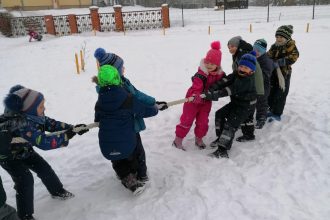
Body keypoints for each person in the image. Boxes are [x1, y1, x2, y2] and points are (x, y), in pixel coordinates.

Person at [0, 85, 88, 220]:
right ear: (28, 109)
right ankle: (25, 215)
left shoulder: (33, 116)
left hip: (24, 150)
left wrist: (72, 128)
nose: (44, 109)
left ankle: (57, 190)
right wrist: (67, 136)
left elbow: (50, 124)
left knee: (44, 169)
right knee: (25, 180)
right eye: (41, 107)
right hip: (9, 157)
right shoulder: (20, 124)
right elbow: (44, 142)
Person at [93, 47, 167, 183]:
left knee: (123, 154)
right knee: (135, 151)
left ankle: (129, 174)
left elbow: (137, 94)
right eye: (121, 67)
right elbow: (138, 102)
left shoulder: (107, 91)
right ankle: (138, 174)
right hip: (130, 125)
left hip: (119, 128)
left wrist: (153, 101)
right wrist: (154, 108)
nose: (124, 69)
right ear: (115, 71)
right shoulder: (122, 91)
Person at [203, 52, 257, 158]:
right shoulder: (237, 73)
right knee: (220, 114)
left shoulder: (247, 80)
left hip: (246, 105)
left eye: (246, 67)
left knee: (230, 125)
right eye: (241, 66)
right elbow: (226, 80)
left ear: (252, 71)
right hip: (237, 102)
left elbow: (230, 90)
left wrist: (214, 95)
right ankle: (222, 137)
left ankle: (222, 150)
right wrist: (213, 87)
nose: (242, 69)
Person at [173, 41, 225, 150]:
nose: (209, 65)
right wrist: (196, 94)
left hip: (206, 101)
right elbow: (197, 85)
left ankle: (199, 138)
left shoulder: (219, 75)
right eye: (207, 62)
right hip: (192, 100)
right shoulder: (201, 74)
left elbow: (222, 83)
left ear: (217, 65)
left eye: (212, 64)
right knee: (187, 120)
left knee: (203, 122)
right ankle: (178, 140)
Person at [267, 25, 299, 122]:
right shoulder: (274, 46)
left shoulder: (290, 45)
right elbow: (269, 55)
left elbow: (294, 56)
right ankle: (271, 109)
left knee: (281, 93)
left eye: (281, 37)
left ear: (287, 37)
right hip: (273, 73)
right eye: (277, 37)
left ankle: (277, 113)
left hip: (284, 74)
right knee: (271, 91)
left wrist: (281, 62)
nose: (279, 39)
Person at [252, 39, 275, 129]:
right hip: (254, 84)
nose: (256, 52)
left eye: (259, 50)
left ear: (264, 51)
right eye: (255, 49)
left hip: (264, 85)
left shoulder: (267, 61)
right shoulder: (252, 57)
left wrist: (254, 73)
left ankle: (261, 117)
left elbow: (265, 75)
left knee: (261, 101)